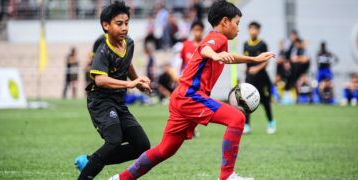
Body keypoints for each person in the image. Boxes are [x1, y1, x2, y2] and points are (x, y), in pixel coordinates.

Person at [109, 1, 275, 179]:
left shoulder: (219, 40)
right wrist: (215, 55)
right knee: (237, 118)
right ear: (225, 21)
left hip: (181, 98)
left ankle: (120, 178)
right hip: (191, 96)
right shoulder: (217, 38)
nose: (238, 28)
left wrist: (254, 59)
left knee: (165, 149)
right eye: (237, 23)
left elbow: (228, 57)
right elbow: (205, 49)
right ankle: (227, 176)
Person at [74, 1, 152, 179]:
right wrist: (129, 84)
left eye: (126, 23)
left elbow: (127, 63)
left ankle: (90, 160)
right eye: (119, 23)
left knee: (142, 145)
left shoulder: (129, 43)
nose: (124, 28)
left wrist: (138, 82)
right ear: (106, 25)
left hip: (118, 102)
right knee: (114, 141)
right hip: (100, 102)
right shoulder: (103, 50)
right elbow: (100, 80)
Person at [242, 21, 276, 134]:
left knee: (265, 101)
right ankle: (246, 125)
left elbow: (266, 61)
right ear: (248, 30)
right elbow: (246, 59)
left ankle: (271, 122)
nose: (253, 31)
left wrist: (257, 68)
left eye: (255, 29)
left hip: (262, 77)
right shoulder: (245, 44)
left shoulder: (262, 44)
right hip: (250, 78)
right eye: (251, 29)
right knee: (246, 101)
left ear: (259, 30)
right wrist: (246, 69)